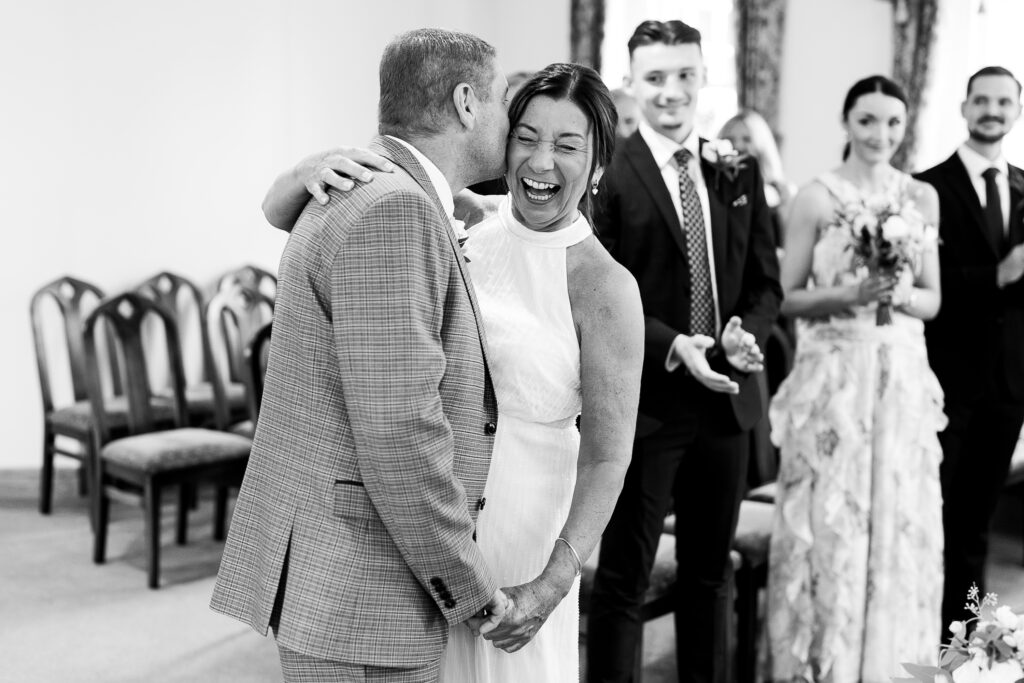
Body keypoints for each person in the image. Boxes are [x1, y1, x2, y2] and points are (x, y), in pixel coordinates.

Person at [259, 63, 645, 682]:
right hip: (431, 524)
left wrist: (553, 582)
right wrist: (300, 174)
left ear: (598, 166)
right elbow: (298, 215)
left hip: (526, 534)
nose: (541, 162)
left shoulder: (607, 289)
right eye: (527, 136)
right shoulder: (461, 219)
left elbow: (607, 456)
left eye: (567, 146)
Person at [210, 29, 513, 682]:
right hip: (364, 584)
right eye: (501, 101)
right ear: (466, 102)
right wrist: (470, 584)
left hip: (342, 576)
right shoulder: (395, 213)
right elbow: (401, 429)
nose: (507, 121)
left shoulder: (381, 190)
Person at [586, 20, 782, 683]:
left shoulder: (737, 166)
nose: (671, 91)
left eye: (685, 75)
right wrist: (674, 344)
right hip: (647, 405)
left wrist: (742, 331)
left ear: (704, 76)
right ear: (633, 84)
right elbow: (598, 294)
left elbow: (764, 282)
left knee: (709, 575)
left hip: (725, 403)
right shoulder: (609, 174)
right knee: (624, 579)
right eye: (656, 77)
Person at [766, 75, 944, 680]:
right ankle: (829, 665)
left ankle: (891, 665)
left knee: (899, 518)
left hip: (900, 378)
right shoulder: (816, 198)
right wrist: (852, 292)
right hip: (836, 381)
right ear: (846, 123)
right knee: (833, 520)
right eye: (867, 121)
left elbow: (933, 299)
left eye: (893, 123)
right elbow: (786, 299)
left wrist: (900, 294)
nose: (881, 135)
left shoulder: (921, 198)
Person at [916, 66, 1024, 635]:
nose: (991, 110)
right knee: (934, 520)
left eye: (1003, 101)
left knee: (978, 523)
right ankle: (917, 632)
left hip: (1009, 385)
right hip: (944, 380)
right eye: (981, 100)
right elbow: (925, 284)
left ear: (1017, 110)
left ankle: (960, 641)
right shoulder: (928, 187)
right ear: (964, 108)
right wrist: (997, 274)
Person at [718, 109, 795, 248]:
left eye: (747, 139)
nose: (738, 146)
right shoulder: (715, 189)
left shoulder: (782, 193)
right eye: (730, 139)